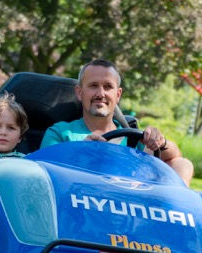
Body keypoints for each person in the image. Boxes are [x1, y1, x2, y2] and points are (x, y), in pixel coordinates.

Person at [40, 59, 194, 186]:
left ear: (118, 94)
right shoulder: (60, 133)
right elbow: (44, 171)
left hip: (125, 210)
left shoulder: (133, 140)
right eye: (93, 86)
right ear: (79, 92)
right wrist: (81, 151)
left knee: (183, 164)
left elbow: (174, 156)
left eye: (108, 87)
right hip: (77, 208)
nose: (101, 94)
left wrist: (160, 140)